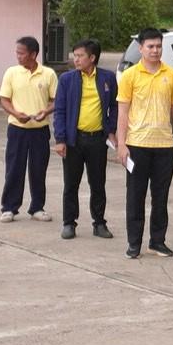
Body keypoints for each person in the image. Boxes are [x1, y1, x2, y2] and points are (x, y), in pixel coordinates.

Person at [116, 27, 173, 260]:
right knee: (135, 196)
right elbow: (123, 111)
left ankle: (157, 242)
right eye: (150, 46)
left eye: (158, 46)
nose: (155, 51)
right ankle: (133, 243)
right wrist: (121, 143)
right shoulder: (130, 76)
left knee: (161, 197)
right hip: (137, 145)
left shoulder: (172, 75)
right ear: (141, 48)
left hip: (165, 146)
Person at [52, 40, 116, 240]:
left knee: (98, 184)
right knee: (71, 184)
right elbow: (59, 110)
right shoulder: (67, 79)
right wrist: (60, 139)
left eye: (80, 56)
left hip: (97, 140)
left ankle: (99, 223)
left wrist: (111, 130)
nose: (75, 59)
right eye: (75, 55)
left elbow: (115, 106)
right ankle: (69, 223)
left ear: (92, 58)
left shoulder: (107, 78)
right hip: (74, 140)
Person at [0, 35, 56, 222]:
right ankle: (9, 208)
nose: (18, 56)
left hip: (40, 129)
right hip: (17, 128)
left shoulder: (48, 74)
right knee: (14, 167)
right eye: (17, 52)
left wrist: (45, 112)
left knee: (38, 168)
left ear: (33, 54)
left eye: (21, 53)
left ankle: (37, 207)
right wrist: (15, 114)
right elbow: (4, 99)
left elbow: (55, 100)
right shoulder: (11, 73)